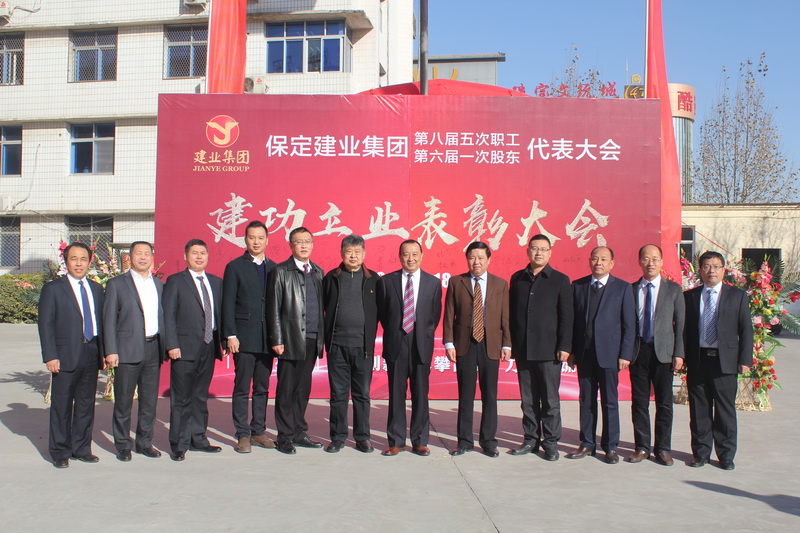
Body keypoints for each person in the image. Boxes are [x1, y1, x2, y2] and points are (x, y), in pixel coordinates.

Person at [38, 242, 105, 468]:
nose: (79, 263)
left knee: (86, 404)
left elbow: (101, 322)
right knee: (62, 404)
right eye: (74, 258)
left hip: (91, 351)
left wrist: (103, 352)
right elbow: (46, 324)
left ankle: (82, 448)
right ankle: (60, 451)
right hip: (65, 355)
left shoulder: (96, 289)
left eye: (83, 259)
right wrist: (50, 355)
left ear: (89, 261)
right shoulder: (53, 289)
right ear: (66, 261)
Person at [683, 250, 752, 470]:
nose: (711, 271)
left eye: (715, 266)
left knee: (725, 410)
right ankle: (701, 453)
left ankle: (726, 455)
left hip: (725, 361)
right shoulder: (690, 297)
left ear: (723, 270)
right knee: (699, 410)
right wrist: (681, 356)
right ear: (700, 270)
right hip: (698, 360)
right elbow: (684, 330)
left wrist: (745, 359)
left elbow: (746, 329)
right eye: (706, 266)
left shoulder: (737, 296)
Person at [566, 246, 635, 464]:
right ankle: (587, 443)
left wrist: (625, 354)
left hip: (610, 355)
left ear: (611, 263)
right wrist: (571, 350)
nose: (599, 262)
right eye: (595, 258)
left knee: (609, 402)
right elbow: (571, 322)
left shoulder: (623, 288)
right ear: (589, 261)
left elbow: (629, 325)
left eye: (604, 259)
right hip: (584, 354)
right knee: (586, 401)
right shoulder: (578, 286)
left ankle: (610, 446)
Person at [508, 234, 573, 461]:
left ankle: (551, 442)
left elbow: (567, 317)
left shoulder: (560, 280)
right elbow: (511, 314)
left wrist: (564, 345)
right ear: (528, 251)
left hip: (549, 351)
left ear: (550, 252)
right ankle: (531, 439)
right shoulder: (517, 278)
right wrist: (510, 344)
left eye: (543, 249)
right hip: (524, 349)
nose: (538, 253)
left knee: (550, 400)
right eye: (535, 248)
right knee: (528, 400)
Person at [443, 241, 511, 458]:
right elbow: (449, 314)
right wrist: (449, 343)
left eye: (481, 257)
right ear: (467, 259)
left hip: (491, 344)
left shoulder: (500, 284)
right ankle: (464, 441)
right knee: (465, 395)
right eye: (472, 257)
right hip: (465, 344)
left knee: (490, 395)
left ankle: (488, 441)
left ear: (489, 260)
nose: (476, 262)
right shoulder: (457, 282)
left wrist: (507, 344)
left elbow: (505, 316)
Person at [377, 239, 442, 456]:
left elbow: (434, 316)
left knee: (420, 394)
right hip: (397, 341)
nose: (410, 258)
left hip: (421, 342)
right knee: (396, 393)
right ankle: (396, 441)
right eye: (406, 254)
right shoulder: (387, 281)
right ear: (400, 256)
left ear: (421, 256)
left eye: (415, 254)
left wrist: (420, 331)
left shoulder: (433, 283)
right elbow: (384, 314)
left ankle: (420, 440)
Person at [103, 241, 165, 462]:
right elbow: (109, 319)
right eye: (138, 253)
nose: (143, 257)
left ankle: (144, 443)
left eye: (147, 253)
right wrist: (111, 350)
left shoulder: (159, 285)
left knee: (149, 402)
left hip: (153, 348)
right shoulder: (117, 284)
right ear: (130, 257)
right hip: (126, 350)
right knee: (123, 402)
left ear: (152, 258)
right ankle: (122, 445)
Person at [163, 239, 224, 461]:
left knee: (200, 396)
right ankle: (179, 444)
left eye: (203, 253)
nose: (199, 257)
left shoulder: (216, 282)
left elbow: (220, 314)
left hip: (208, 347)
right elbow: (168, 314)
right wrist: (172, 344)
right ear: (186, 256)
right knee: (181, 399)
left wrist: (224, 341)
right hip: (183, 348)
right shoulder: (176, 281)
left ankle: (198, 439)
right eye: (194, 253)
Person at [268, 227, 325, 454]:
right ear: (290, 245)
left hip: (312, 338)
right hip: (290, 340)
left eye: (307, 241)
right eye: (299, 242)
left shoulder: (318, 272)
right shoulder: (280, 271)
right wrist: (277, 338)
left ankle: (299, 432)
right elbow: (273, 307)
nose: (303, 245)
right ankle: (284, 436)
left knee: (303, 390)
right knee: (286, 390)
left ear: (312, 244)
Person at [627, 244, 685, 466]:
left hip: (664, 353)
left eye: (654, 259)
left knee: (664, 404)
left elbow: (680, 324)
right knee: (639, 403)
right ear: (639, 261)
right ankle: (642, 447)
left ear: (661, 262)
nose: (650, 263)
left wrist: (679, 353)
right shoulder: (631, 289)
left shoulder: (673, 289)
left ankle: (662, 448)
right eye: (646, 258)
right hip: (638, 352)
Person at [222, 221, 277, 453]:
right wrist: (230, 335)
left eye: (260, 237)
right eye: (252, 237)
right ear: (245, 240)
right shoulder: (235, 267)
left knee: (262, 388)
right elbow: (227, 303)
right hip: (243, 338)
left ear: (267, 240)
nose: (256, 241)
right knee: (242, 387)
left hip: (267, 339)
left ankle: (259, 431)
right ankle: (242, 434)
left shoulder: (274, 268)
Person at [322, 235, 379, 454]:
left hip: (363, 348)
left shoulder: (374, 280)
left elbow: (382, 311)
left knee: (362, 395)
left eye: (357, 252)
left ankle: (363, 437)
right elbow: (323, 307)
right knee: (338, 395)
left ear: (364, 254)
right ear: (342, 253)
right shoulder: (332, 278)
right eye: (349, 252)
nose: (353, 256)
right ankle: (338, 437)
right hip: (337, 346)